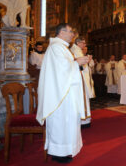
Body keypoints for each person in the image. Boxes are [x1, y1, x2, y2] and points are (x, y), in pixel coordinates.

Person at [36, 23, 91, 163]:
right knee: (60, 121)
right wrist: (77, 62)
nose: (73, 34)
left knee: (67, 121)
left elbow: (66, 67)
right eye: (71, 31)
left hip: (65, 92)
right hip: (59, 95)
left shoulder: (62, 48)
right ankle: (57, 153)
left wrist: (78, 62)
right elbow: (61, 70)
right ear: (61, 32)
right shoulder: (56, 48)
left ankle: (64, 150)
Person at [71, 37, 95, 128]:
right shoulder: (76, 51)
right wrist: (87, 60)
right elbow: (80, 65)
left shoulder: (77, 50)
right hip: (80, 79)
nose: (85, 45)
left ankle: (84, 120)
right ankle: (83, 121)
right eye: (83, 43)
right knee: (82, 99)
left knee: (82, 98)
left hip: (81, 78)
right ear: (78, 43)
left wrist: (87, 60)